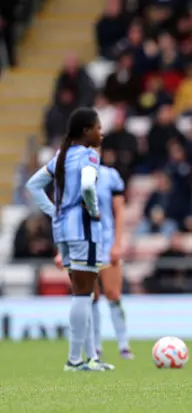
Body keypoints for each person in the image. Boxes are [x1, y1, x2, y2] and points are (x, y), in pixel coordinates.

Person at [25, 107, 110, 371]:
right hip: (83, 228)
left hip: (62, 229)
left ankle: (86, 358)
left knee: (81, 293)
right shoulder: (89, 156)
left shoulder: (61, 156)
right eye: (98, 127)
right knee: (84, 295)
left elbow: (33, 185)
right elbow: (87, 185)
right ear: (86, 131)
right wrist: (93, 210)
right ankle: (75, 360)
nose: (101, 132)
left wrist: (54, 211)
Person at [54, 163, 133, 359]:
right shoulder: (71, 178)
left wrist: (117, 243)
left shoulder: (109, 175)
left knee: (113, 293)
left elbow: (119, 211)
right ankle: (96, 346)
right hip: (82, 243)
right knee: (91, 297)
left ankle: (123, 344)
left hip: (105, 243)